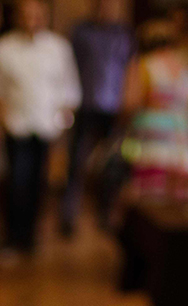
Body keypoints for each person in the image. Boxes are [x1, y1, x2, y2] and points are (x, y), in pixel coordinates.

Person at [0, 0, 80, 256]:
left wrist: (62, 124)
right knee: (16, 183)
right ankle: (14, 236)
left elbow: (69, 90)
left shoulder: (58, 48)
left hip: (46, 128)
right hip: (16, 127)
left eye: (37, 15)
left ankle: (31, 238)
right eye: (27, 15)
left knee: (39, 185)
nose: (32, 20)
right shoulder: (2, 49)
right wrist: (2, 121)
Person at [58, 0, 134, 235]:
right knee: (76, 163)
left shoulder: (124, 35)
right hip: (86, 105)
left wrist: (128, 102)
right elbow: (69, 69)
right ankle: (68, 216)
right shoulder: (81, 32)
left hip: (114, 108)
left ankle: (106, 215)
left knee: (112, 164)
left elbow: (130, 69)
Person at [121, 11, 188, 201]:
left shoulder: (144, 66)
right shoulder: (184, 69)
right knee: (177, 203)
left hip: (152, 144)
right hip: (183, 145)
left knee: (151, 203)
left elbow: (130, 103)